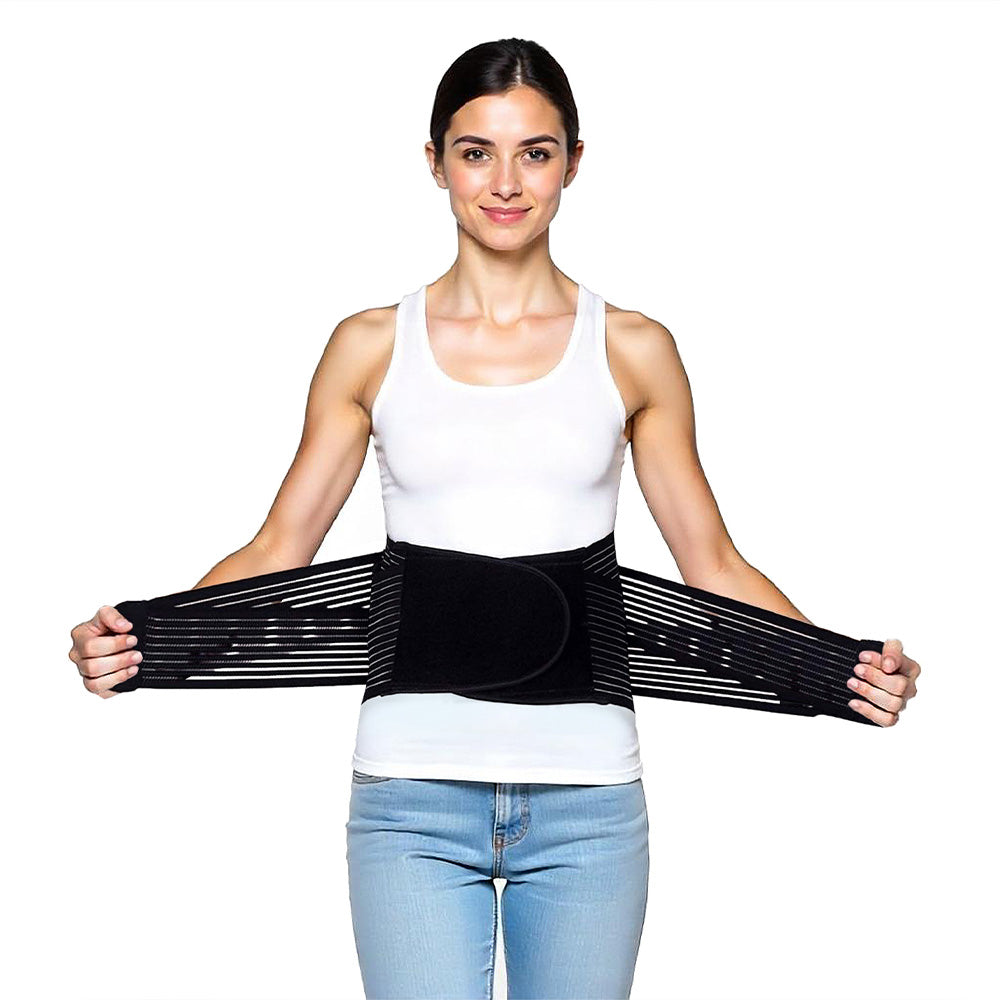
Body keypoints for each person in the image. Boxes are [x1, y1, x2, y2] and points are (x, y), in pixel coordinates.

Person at [67, 37, 920, 1000]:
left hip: (588, 803)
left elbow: (711, 564)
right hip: (411, 796)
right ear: (435, 162)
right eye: (477, 153)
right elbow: (281, 549)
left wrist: (837, 669)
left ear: (573, 163)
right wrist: (150, 642)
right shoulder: (370, 345)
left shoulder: (634, 347)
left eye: (535, 153)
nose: (505, 183)